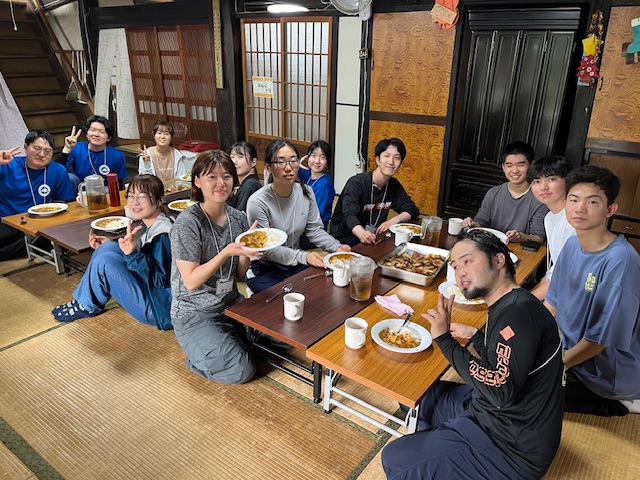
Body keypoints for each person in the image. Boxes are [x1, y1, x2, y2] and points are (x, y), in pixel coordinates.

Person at [382, 229, 564, 479]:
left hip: (511, 447)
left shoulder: (518, 315)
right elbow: (504, 358)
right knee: (416, 397)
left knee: (395, 459)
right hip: (487, 410)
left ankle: (449, 452)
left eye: (468, 261)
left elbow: (500, 390)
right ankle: (446, 448)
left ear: (499, 260)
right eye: (456, 267)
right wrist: (477, 337)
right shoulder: (512, 301)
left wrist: (445, 340)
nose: (460, 274)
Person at [545, 165, 640, 416]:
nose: (580, 208)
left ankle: (621, 402)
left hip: (603, 371)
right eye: (574, 199)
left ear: (610, 210)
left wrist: (553, 366)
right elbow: (552, 303)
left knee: (525, 392)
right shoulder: (571, 244)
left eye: (593, 202)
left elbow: (599, 340)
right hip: (569, 352)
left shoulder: (620, 260)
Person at [170, 150, 257, 384]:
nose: (221, 183)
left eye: (226, 176)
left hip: (230, 302)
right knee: (242, 370)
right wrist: (227, 251)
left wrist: (246, 249)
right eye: (212, 177)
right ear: (197, 182)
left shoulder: (238, 218)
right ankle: (196, 358)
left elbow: (239, 273)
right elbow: (190, 281)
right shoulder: (188, 223)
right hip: (194, 313)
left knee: (273, 341)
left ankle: (220, 345)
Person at [51, 175, 173, 329]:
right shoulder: (149, 224)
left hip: (159, 308)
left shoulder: (162, 234)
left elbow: (160, 280)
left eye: (142, 196)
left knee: (105, 262)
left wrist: (132, 254)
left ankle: (86, 306)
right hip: (152, 293)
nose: (135, 202)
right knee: (107, 248)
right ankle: (84, 302)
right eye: (131, 196)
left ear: (160, 200)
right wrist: (117, 247)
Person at [245, 139, 351, 294]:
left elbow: (314, 230)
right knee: (283, 296)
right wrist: (304, 257)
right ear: (268, 167)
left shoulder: (306, 192)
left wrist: (336, 247)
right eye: (281, 162)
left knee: (325, 286)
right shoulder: (257, 202)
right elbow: (268, 250)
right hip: (266, 266)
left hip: (295, 262)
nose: (288, 168)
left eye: (293, 161)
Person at [329, 137, 419, 246]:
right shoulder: (357, 183)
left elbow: (412, 209)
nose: (391, 162)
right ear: (377, 160)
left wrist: (395, 220)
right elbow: (349, 215)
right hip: (346, 238)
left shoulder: (393, 185)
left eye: (397, 158)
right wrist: (362, 234)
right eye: (386, 156)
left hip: (374, 237)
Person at [1, 131, 74, 261]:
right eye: (36, 148)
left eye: (47, 151)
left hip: (38, 223)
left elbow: (60, 204)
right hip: (7, 221)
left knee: (52, 238)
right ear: (25, 147)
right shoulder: (7, 165)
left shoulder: (58, 171)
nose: (41, 154)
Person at [463, 141, 547, 243]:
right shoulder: (493, 193)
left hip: (520, 250)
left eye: (520, 165)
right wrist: (472, 224)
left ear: (532, 165)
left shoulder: (540, 198)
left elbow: (538, 238)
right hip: (492, 246)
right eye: (509, 165)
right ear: (503, 167)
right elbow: (481, 222)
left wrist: (521, 237)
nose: (515, 170)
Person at [528, 156, 576, 301]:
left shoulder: (574, 220)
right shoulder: (549, 218)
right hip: (556, 287)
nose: (543, 187)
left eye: (551, 179)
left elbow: (565, 278)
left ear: (567, 181)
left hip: (572, 294)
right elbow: (553, 271)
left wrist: (525, 301)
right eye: (536, 181)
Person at [56, 115, 127, 191]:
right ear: (87, 134)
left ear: (108, 138)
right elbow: (57, 171)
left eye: (102, 132)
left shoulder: (117, 155)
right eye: (93, 130)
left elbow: (119, 182)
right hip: (80, 189)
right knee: (70, 177)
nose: (96, 134)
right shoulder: (76, 148)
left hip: (105, 191)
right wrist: (67, 148)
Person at [298, 140, 335, 229]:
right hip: (303, 221)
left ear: (327, 161)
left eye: (322, 157)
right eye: (314, 155)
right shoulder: (308, 174)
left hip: (315, 227)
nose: (317, 161)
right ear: (307, 157)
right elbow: (291, 169)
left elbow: (316, 214)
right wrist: (298, 163)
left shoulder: (324, 184)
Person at [227, 141, 262, 212]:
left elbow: (239, 216)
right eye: (232, 157)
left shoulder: (250, 185)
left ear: (253, 162)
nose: (234, 161)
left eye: (240, 157)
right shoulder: (246, 184)